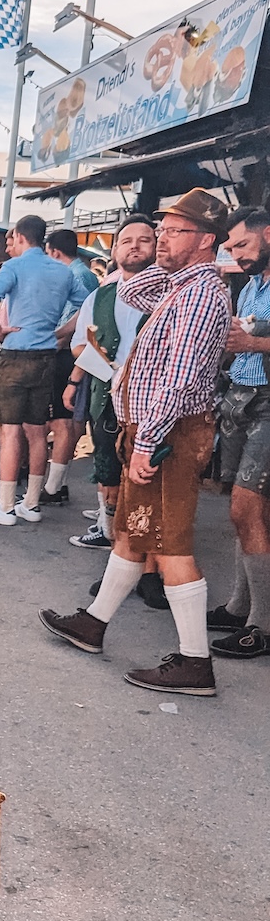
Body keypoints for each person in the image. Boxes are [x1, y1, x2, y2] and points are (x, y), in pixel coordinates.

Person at [39, 189, 232, 696]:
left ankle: (195, 662)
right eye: (160, 231)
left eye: (174, 231)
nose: (161, 239)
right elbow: (128, 292)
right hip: (154, 431)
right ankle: (94, 623)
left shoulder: (200, 293)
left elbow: (180, 378)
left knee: (169, 546)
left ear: (207, 239)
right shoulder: (178, 284)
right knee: (133, 532)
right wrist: (160, 258)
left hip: (167, 434)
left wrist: (148, 442)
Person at [0, 213, 91, 527]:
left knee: (10, 430)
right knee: (37, 430)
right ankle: (32, 503)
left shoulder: (14, 267)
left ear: (22, 238)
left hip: (15, 353)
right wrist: (61, 333)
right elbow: (88, 306)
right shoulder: (63, 272)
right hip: (46, 355)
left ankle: (5, 507)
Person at [62, 217, 157, 550]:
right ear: (115, 250)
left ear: (156, 247)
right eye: (126, 240)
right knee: (106, 463)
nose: (135, 245)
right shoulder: (101, 296)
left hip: (153, 402)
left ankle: (138, 547)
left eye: (144, 240)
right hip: (107, 395)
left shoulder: (169, 293)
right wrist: (98, 370)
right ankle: (109, 529)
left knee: (145, 475)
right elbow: (78, 343)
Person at [209, 206, 270, 658]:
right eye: (230, 248)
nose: (236, 255)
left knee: (245, 510)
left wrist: (252, 341)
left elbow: (252, 341)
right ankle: (238, 607)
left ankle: (261, 627)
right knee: (244, 513)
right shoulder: (250, 286)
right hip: (242, 402)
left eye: (242, 245)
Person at [42, 229, 98, 506]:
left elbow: (85, 319)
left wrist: (57, 336)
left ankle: (55, 486)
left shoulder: (76, 276)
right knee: (64, 420)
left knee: (65, 420)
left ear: (54, 252)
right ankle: (54, 483)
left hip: (70, 355)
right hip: (69, 352)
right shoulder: (82, 273)